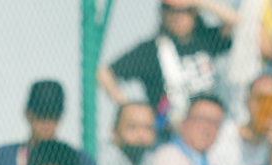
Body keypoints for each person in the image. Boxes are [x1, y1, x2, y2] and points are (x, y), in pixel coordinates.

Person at [100, 0, 239, 125]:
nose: (177, 16)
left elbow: (236, 22)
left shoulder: (207, 40)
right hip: (170, 131)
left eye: (184, 11)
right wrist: (129, 109)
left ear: (195, 13)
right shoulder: (152, 50)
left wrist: (198, 2)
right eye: (169, 10)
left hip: (212, 125)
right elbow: (104, 73)